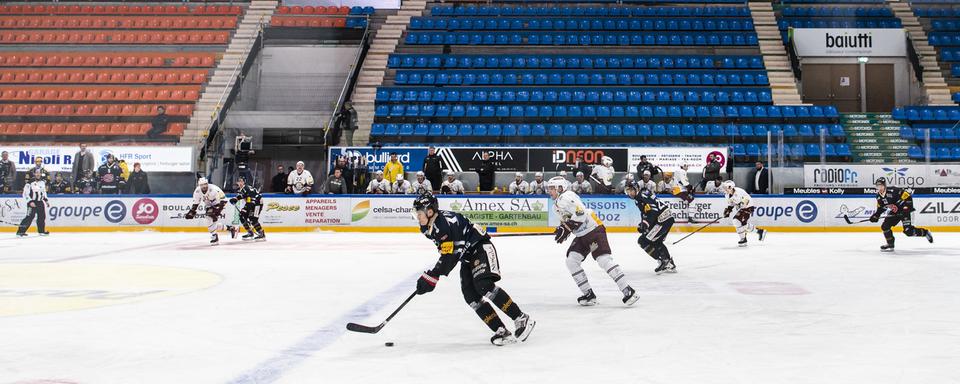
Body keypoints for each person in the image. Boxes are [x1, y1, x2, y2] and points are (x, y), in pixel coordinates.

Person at [412, 193, 535, 345]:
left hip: (480, 248)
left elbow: (450, 256)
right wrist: (433, 276)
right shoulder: (427, 228)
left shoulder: (445, 224)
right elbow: (447, 253)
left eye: (419, 213)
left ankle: (521, 318)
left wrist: (432, 276)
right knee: (470, 296)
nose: (417, 216)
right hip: (467, 257)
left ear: (429, 211)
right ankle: (501, 331)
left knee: (484, 285)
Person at [546, 176, 640, 306]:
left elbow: (581, 213)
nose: (549, 191)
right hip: (581, 235)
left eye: (552, 188)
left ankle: (628, 290)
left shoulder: (566, 196)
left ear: (560, 188)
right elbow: (568, 222)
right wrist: (563, 229)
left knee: (603, 260)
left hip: (594, 230)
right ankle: (589, 295)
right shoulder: (555, 206)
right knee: (571, 260)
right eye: (549, 188)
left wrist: (566, 227)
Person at [870, 177, 933, 252]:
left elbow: (907, 196)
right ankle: (890, 244)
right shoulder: (878, 196)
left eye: (881, 186)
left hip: (906, 211)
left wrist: (906, 208)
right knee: (885, 226)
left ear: (885, 185)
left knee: (908, 231)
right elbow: (881, 208)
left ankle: (925, 232)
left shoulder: (893, 190)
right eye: (878, 186)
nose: (879, 188)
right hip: (896, 212)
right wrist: (876, 215)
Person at [626, 182, 676, 274]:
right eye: (628, 191)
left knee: (643, 241)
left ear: (636, 189)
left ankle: (663, 261)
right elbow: (646, 212)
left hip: (662, 221)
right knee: (656, 241)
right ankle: (669, 264)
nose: (630, 193)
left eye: (632, 190)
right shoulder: (641, 195)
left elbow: (653, 211)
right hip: (666, 219)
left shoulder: (641, 196)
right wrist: (644, 224)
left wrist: (645, 224)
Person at [185, 177, 237, 245]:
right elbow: (196, 203)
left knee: (208, 218)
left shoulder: (214, 189)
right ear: (199, 185)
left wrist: (218, 211)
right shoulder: (197, 191)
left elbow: (223, 199)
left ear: (207, 183)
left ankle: (215, 237)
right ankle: (230, 228)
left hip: (220, 204)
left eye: (205, 184)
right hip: (209, 206)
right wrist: (192, 211)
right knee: (211, 222)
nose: (204, 186)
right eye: (202, 185)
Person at [721, 180, 766, 247]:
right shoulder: (727, 195)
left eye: (726, 188)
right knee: (742, 224)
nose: (725, 189)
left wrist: (739, 205)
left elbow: (746, 201)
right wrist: (728, 210)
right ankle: (759, 231)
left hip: (748, 207)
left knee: (736, 221)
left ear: (730, 187)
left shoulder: (739, 191)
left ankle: (743, 239)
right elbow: (731, 204)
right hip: (742, 208)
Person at [230, 177, 265, 241]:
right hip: (252, 203)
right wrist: (235, 199)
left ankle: (261, 234)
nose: (240, 183)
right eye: (238, 181)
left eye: (241, 181)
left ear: (244, 182)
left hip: (257, 203)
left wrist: (245, 209)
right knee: (242, 216)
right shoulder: (242, 189)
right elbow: (242, 195)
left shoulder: (246, 188)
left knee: (253, 218)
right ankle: (250, 232)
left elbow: (251, 200)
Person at [16, 170, 49, 237]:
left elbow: (43, 192)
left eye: (39, 173)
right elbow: (25, 193)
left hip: (40, 202)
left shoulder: (42, 182)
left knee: (42, 217)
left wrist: (46, 200)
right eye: (36, 173)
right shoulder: (30, 182)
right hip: (32, 202)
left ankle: (41, 231)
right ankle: (20, 232)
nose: (38, 174)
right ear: (34, 174)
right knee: (29, 217)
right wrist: (30, 202)